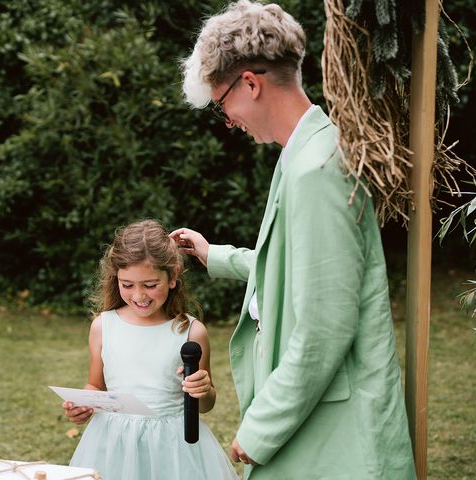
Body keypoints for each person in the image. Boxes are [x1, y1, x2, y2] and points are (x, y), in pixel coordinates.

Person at [170, 1, 416, 479]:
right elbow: (296, 266)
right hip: (322, 424)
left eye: (222, 105)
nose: (229, 121)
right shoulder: (304, 152)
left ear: (250, 83)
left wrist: (262, 425)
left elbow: (326, 324)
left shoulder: (316, 169)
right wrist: (213, 255)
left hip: (338, 434)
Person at [62, 219, 238, 480]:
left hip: (174, 445)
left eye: (150, 285)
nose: (139, 296)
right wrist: (83, 405)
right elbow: (95, 385)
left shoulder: (191, 331)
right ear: (116, 278)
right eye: (127, 284)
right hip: (113, 443)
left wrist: (202, 389)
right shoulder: (103, 326)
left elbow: (205, 404)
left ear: (173, 277)